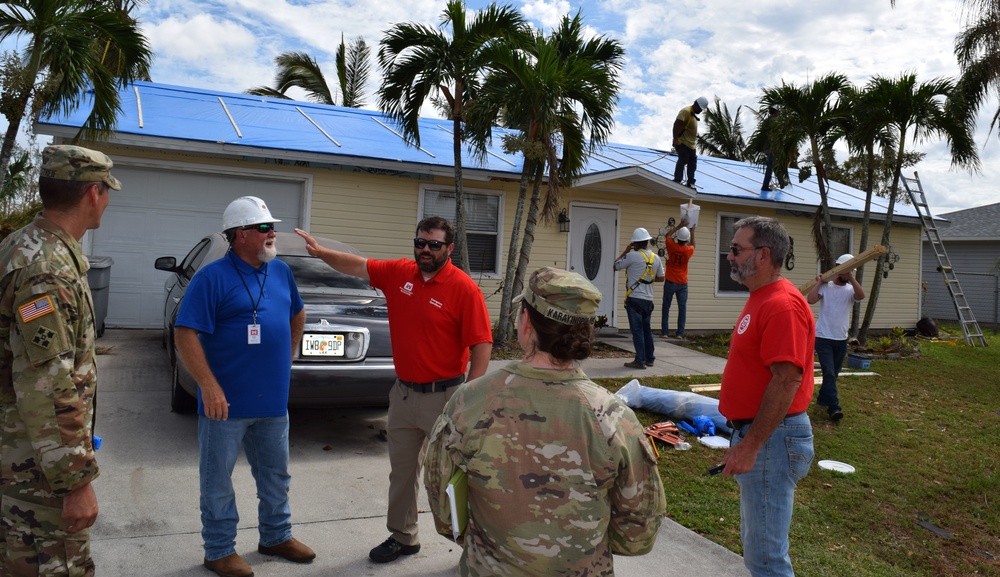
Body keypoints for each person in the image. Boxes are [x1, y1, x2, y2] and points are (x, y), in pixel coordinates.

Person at [424, 267, 665, 577]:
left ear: (525, 323)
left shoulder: (469, 402)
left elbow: (443, 509)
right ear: (586, 333)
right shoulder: (615, 417)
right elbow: (637, 535)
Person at [295, 217, 493, 564]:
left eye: (434, 244)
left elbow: (482, 345)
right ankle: (404, 537)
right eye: (420, 243)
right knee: (401, 473)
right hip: (402, 395)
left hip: (445, 398)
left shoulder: (464, 288)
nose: (425, 250)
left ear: (449, 248)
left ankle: (473, 547)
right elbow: (356, 265)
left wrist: (469, 398)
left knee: (452, 476)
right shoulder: (400, 273)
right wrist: (319, 251)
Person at [175, 196, 314, 577]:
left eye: (272, 227)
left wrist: (288, 352)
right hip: (225, 404)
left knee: (276, 475)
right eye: (265, 228)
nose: (273, 234)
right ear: (240, 235)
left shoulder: (281, 271)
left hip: (272, 401)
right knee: (217, 480)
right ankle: (219, 550)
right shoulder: (211, 278)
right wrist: (208, 386)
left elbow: (297, 311)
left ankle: (276, 536)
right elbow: (185, 333)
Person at [0, 145, 120, 577]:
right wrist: (75, 481)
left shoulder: (25, 247)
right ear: (93, 192)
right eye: (107, 191)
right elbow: (46, 381)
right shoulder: (47, 269)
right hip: (36, 474)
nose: (107, 200)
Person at [718, 216, 815, 577]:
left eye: (736, 249)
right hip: (763, 436)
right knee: (758, 551)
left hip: (773, 440)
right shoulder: (762, 298)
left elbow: (787, 379)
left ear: (762, 255)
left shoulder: (782, 305)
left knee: (767, 560)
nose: (729, 256)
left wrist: (750, 445)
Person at [806, 253, 865, 422]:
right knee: (829, 373)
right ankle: (834, 408)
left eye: (850, 271)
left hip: (841, 338)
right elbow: (810, 300)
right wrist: (819, 282)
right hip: (823, 337)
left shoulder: (851, 289)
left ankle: (822, 400)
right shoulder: (827, 286)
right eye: (845, 271)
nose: (847, 274)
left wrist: (851, 277)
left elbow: (861, 296)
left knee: (834, 374)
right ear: (839, 270)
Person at [614, 227, 665, 369]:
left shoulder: (631, 256)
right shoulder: (656, 258)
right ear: (647, 241)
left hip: (634, 299)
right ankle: (650, 358)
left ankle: (640, 360)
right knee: (647, 330)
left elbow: (615, 266)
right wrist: (648, 277)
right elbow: (661, 278)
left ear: (635, 243)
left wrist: (625, 251)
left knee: (637, 331)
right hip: (648, 300)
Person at [660, 219, 696, 339]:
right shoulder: (688, 250)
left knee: (666, 307)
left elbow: (668, 235)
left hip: (670, 280)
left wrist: (679, 226)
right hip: (682, 283)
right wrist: (693, 231)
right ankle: (680, 333)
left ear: (678, 238)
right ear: (686, 239)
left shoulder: (671, 246)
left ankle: (664, 332)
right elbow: (693, 245)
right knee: (682, 308)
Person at [673, 96, 709, 188]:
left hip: (691, 145)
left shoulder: (693, 114)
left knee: (692, 164)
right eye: (700, 109)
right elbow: (677, 125)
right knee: (683, 159)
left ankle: (690, 182)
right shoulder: (686, 111)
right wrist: (675, 139)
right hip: (683, 143)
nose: (701, 111)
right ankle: (677, 180)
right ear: (696, 104)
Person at [760, 106, 778, 192]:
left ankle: (780, 182)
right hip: (772, 147)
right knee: (771, 166)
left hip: (767, 147)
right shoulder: (774, 121)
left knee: (772, 165)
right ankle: (765, 185)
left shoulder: (766, 121)